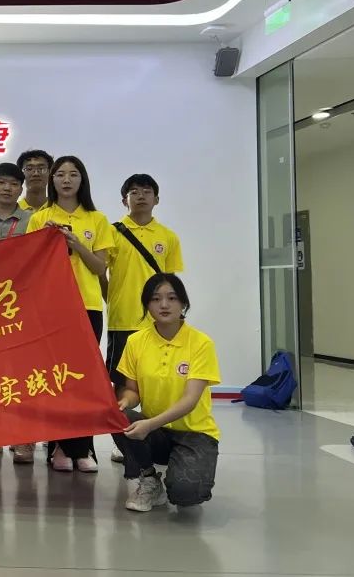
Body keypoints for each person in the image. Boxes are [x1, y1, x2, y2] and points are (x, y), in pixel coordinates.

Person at [26, 155, 113, 473]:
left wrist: (76, 243)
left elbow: (100, 267)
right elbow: (30, 265)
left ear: (82, 180)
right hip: (51, 307)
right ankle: (58, 447)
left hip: (87, 305)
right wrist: (47, 242)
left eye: (73, 174)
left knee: (84, 379)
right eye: (60, 174)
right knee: (56, 378)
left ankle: (84, 448)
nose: (66, 179)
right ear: (52, 180)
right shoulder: (41, 217)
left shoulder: (97, 219)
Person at [113, 273, 220, 512]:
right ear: (147, 305)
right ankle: (149, 478)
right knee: (118, 416)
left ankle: (184, 469)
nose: (164, 305)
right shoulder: (135, 342)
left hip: (194, 433)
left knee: (185, 494)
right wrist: (124, 402)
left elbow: (190, 400)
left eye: (172, 298)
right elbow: (133, 391)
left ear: (183, 303)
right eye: (155, 299)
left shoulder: (201, 343)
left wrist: (150, 424)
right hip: (157, 433)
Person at [104, 174, 184, 464]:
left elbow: (171, 281)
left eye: (147, 191)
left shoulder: (168, 236)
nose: (140, 196)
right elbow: (100, 271)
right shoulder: (112, 232)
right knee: (121, 384)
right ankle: (123, 439)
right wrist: (113, 298)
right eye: (134, 192)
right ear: (124, 200)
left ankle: (158, 434)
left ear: (157, 199)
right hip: (122, 320)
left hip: (157, 324)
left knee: (157, 379)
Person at [0, 162, 38, 464]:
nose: (7, 188)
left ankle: (24, 439)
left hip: (24, 305)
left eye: (13, 184)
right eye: (1, 183)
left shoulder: (34, 221)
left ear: (21, 188)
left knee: (24, 373)